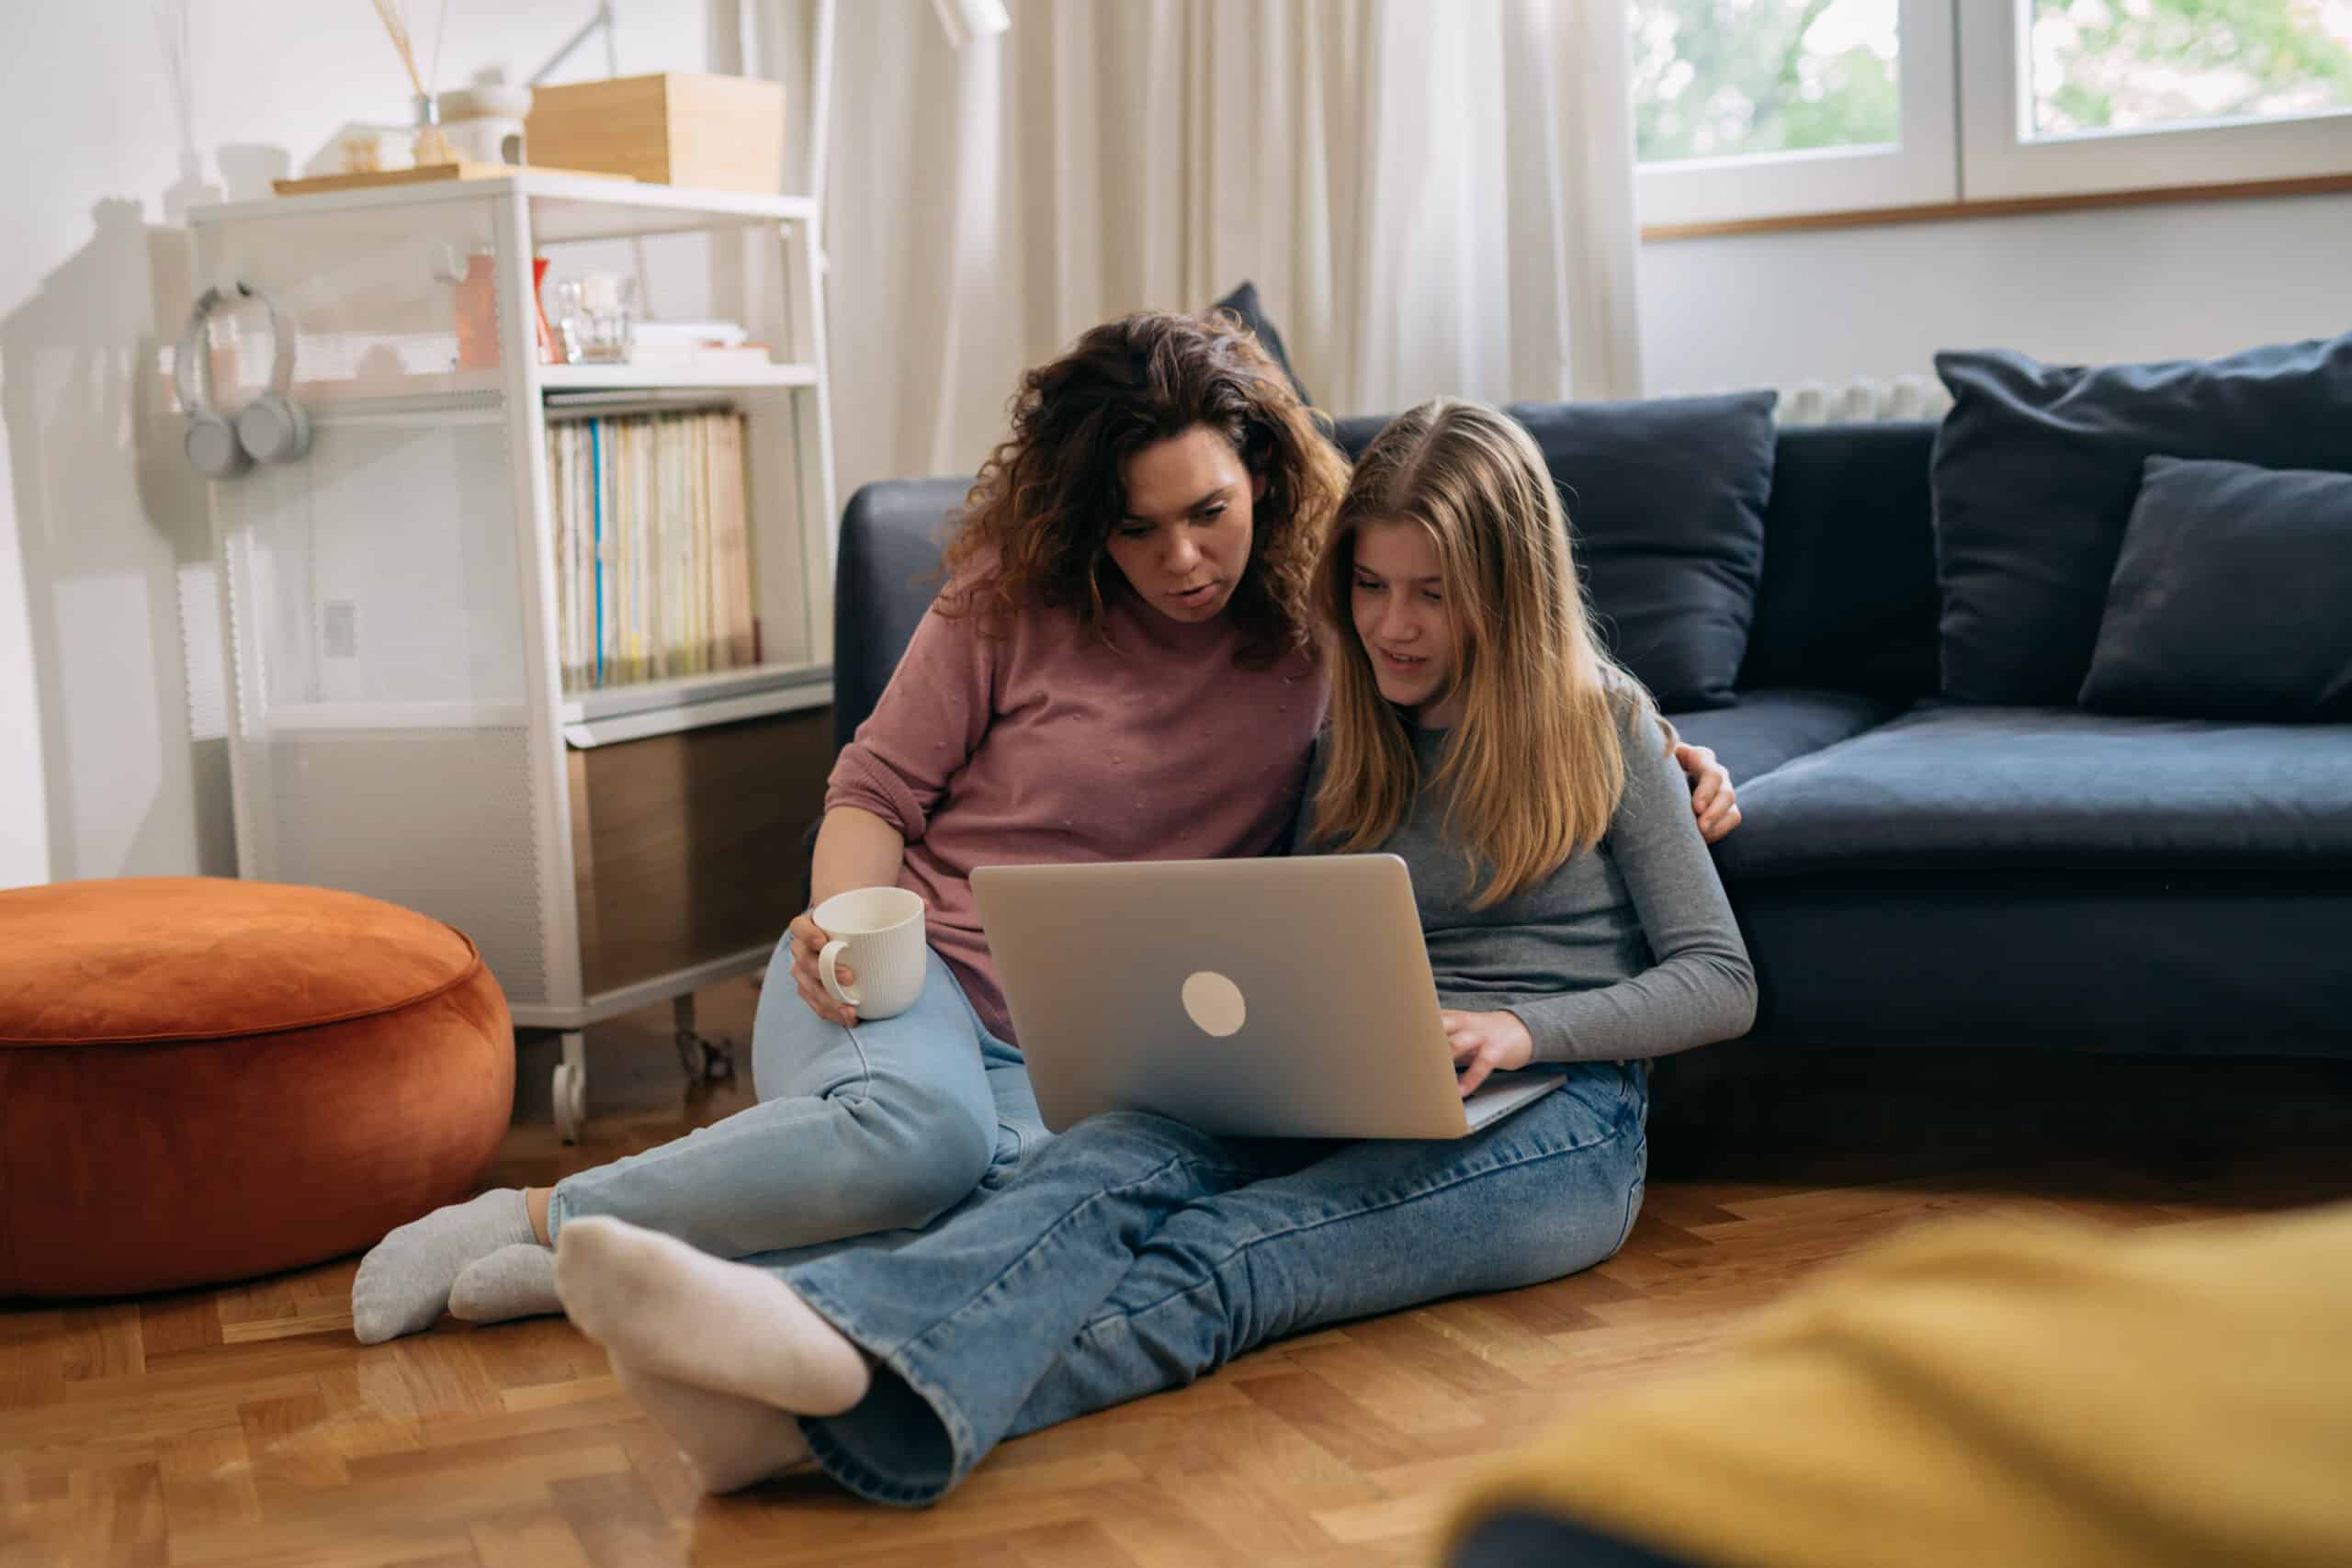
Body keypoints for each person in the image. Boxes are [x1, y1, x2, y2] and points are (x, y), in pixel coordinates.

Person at [350, 315, 1739, 1346]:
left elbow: (1495, 652)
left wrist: (1659, 749)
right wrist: (845, 926)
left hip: (1093, 1041)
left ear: (1265, 478)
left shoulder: (1324, 621)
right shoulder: (1007, 606)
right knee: (920, 1146)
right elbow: (870, 795)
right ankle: (545, 1219)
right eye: (1140, 534)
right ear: (1090, 526)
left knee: (1038, 1210)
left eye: (1211, 514)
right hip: (907, 980)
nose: (1185, 561)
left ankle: (683, 1294)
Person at [548, 397, 1761, 1503]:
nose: (1394, 626)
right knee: (1104, 1163)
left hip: (1558, 1121)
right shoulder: (1353, 730)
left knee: (1236, 1257)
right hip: (1370, 1071)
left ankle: (830, 1392)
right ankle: (805, 1365)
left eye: (1434, 594)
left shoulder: (1602, 726)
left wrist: (1526, 1029)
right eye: (1374, 587)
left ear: (1511, 587)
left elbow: (1721, 982)